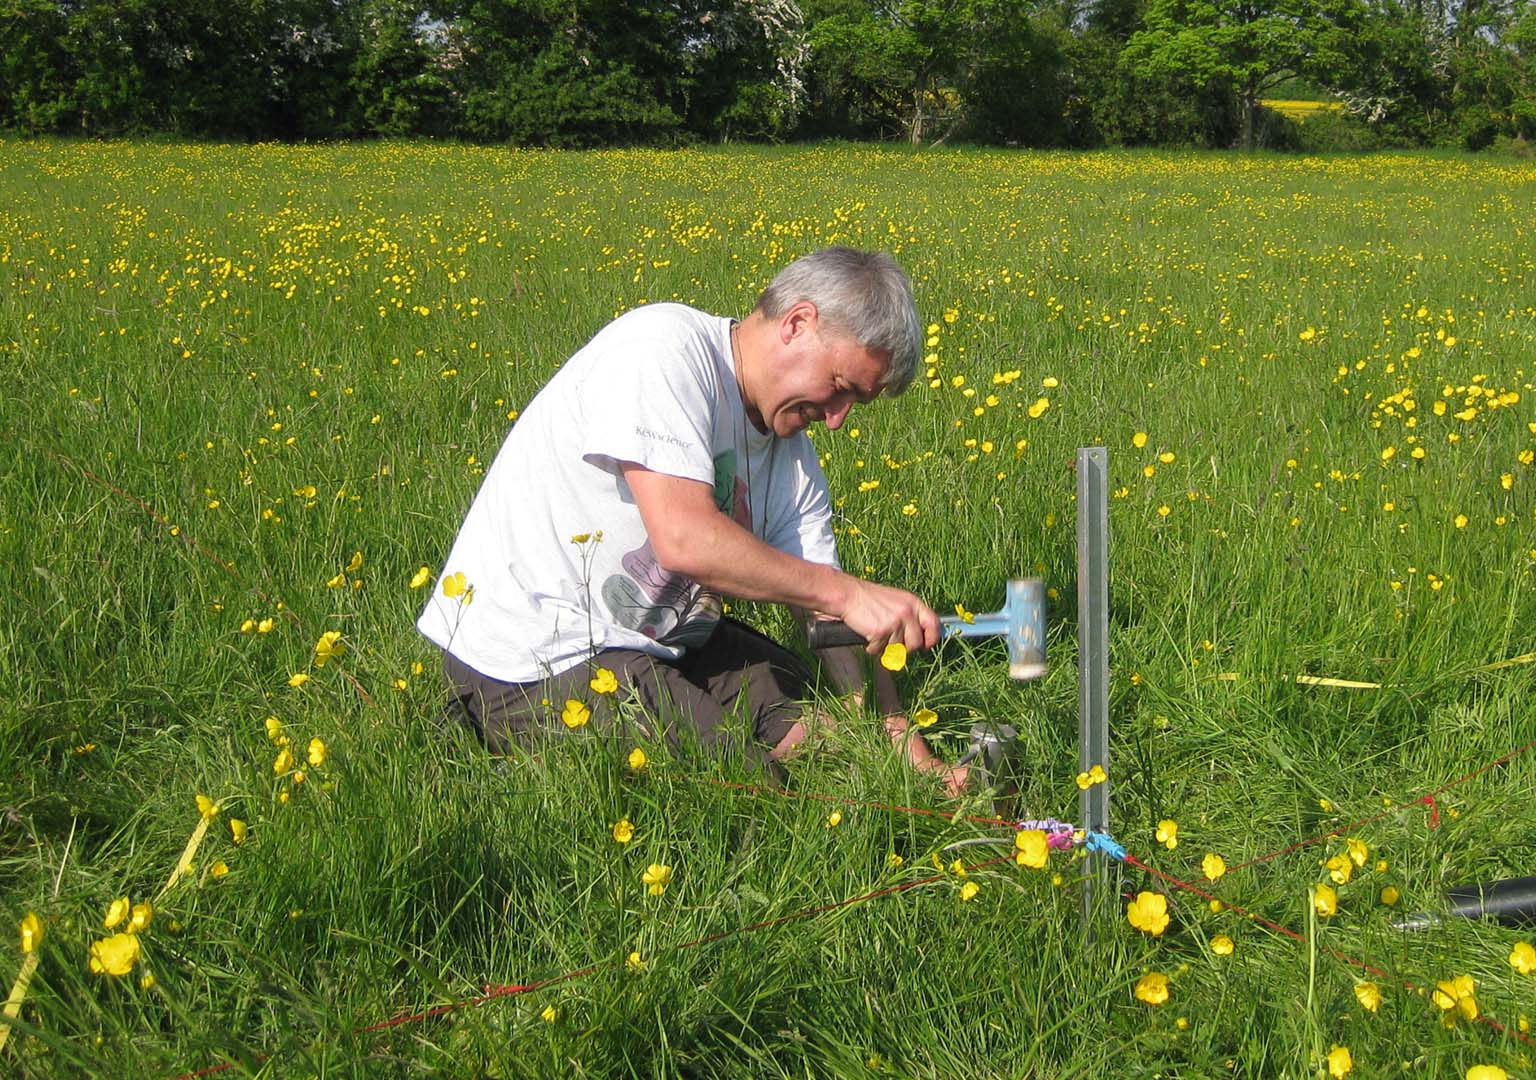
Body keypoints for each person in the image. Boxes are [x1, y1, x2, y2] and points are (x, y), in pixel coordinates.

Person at [418, 246, 967, 795]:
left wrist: (907, 748)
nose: (837, 420)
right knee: (752, 791)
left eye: (856, 403)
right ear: (798, 323)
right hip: (533, 655)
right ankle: (498, 744)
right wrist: (849, 595)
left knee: (828, 727)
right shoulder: (661, 349)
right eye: (841, 387)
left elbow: (831, 614)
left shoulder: (790, 449)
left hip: (668, 640)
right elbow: (685, 539)